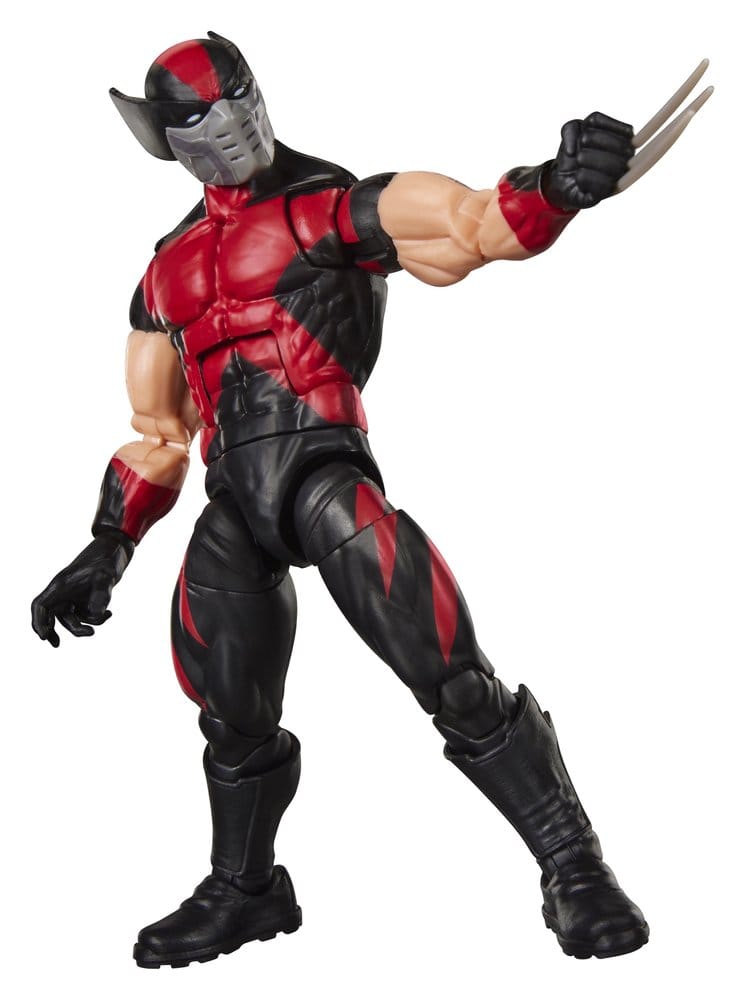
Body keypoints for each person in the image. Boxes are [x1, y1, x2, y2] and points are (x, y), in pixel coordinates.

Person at [31, 32, 710, 968]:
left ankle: (573, 866)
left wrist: (555, 187)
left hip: (322, 469)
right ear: (165, 138)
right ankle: (247, 890)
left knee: (448, 671)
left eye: (238, 99)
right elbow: (157, 429)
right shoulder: (167, 272)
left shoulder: (330, 207)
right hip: (234, 500)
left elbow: (469, 227)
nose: (229, 127)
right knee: (229, 713)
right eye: (200, 117)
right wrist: (108, 545)